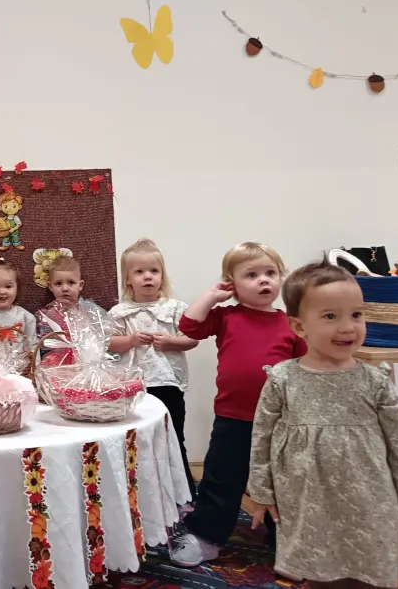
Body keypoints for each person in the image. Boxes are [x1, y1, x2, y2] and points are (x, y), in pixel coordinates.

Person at [249, 258, 398, 589]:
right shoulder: (282, 379)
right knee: (321, 575)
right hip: (309, 504)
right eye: (330, 316)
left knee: (373, 576)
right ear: (299, 326)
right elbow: (261, 438)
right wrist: (261, 491)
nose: (348, 327)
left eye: (356, 314)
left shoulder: (375, 382)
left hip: (371, 505)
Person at [171, 242, 306, 567]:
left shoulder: (291, 323)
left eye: (270, 273)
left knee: (283, 482)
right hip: (233, 418)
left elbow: (306, 367)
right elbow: (189, 326)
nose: (264, 280)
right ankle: (207, 536)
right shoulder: (227, 316)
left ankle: (287, 541)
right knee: (221, 479)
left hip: (280, 422)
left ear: (281, 277)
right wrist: (212, 296)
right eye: (252, 275)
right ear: (231, 284)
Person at [108, 239, 197, 498]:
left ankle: (183, 492)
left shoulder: (175, 308)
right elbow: (110, 343)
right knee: (137, 438)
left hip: (168, 383)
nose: (148, 277)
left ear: (162, 275)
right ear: (128, 279)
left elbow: (192, 338)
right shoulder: (119, 312)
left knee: (173, 436)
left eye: (154, 271)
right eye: (139, 271)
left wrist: (171, 342)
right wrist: (130, 340)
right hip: (134, 386)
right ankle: (140, 491)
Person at [36, 254, 113, 363]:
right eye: (58, 283)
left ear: (80, 285)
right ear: (50, 286)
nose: (65, 288)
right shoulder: (47, 317)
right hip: (59, 365)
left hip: (89, 362)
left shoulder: (92, 311)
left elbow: (106, 340)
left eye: (71, 283)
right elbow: (45, 348)